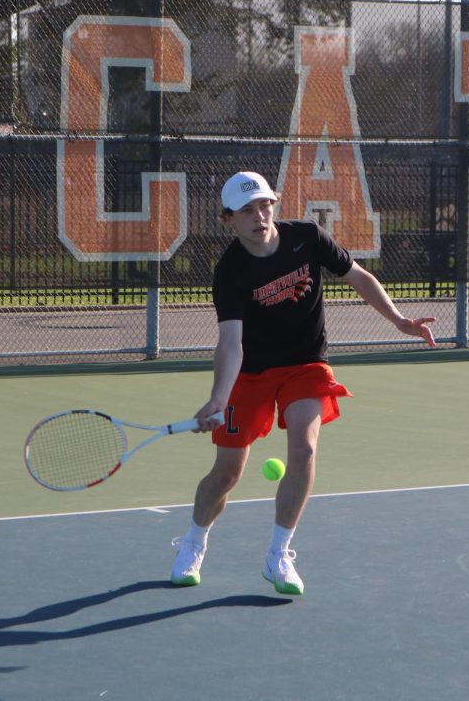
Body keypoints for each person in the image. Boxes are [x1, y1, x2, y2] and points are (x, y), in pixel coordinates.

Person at [171, 170, 436, 595]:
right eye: (247, 211)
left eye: (264, 205)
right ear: (229, 220)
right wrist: (218, 399)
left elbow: (360, 278)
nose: (259, 216)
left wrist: (401, 321)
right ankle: (193, 542)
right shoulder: (230, 272)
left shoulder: (307, 238)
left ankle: (278, 554)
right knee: (226, 474)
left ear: (273, 204)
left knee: (305, 447)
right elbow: (231, 343)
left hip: (305, 364)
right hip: (252, 373)